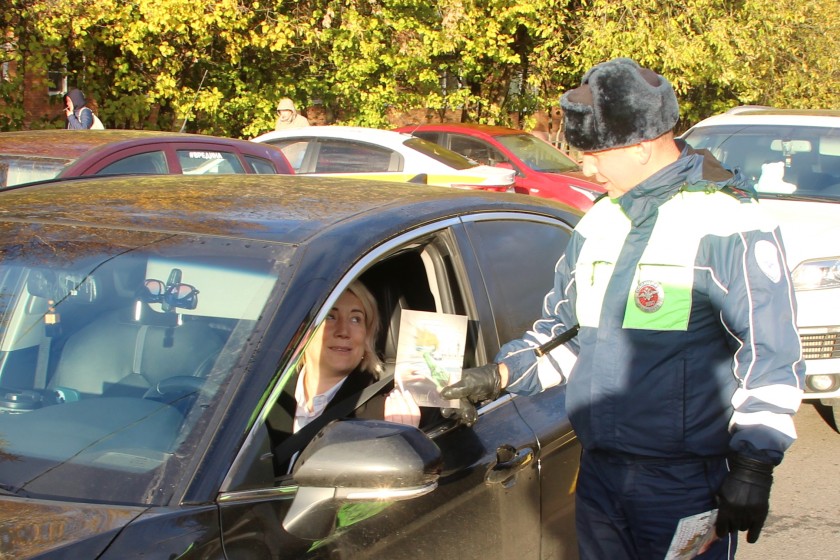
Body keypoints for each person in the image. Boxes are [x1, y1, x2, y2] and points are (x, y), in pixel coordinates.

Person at [441, 58, 804, 559]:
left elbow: (772, 357)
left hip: (683, 485)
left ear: (640, 147)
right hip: (601, 477)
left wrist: (753, 467)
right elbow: (565, 337)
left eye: (594, 154)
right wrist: (501, 375)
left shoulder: (726, 220)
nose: (585, 168)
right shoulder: (598, 223)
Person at [269, 281, 420, 471]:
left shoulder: (382, 413)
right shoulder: (262, 394)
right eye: (330, 316)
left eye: (356, 319)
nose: (343, 331)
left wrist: (398, 448)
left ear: (367, 337)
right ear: (302, 332)